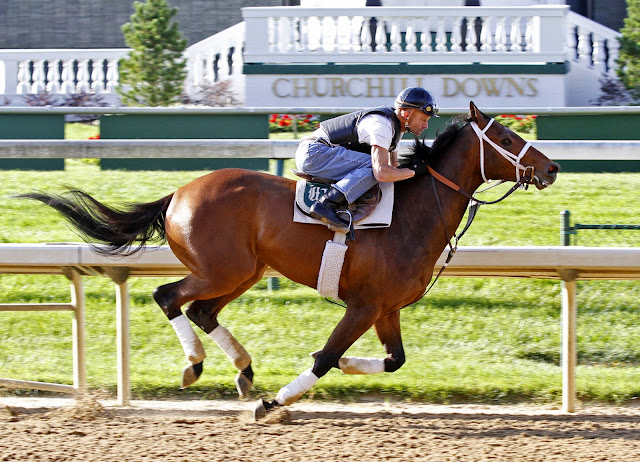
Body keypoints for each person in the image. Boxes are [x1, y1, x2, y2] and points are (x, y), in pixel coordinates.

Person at [294, 86, 439, 228]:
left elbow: (393, 170)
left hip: (318, 153)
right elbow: (381, 172)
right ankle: (326, 204)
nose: (426, 125)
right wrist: (414, 171)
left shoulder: (395, 129)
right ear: (406, 114)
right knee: (375, 167)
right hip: (314, 153)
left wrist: (410, 172)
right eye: (423, 119)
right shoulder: (382, 125)